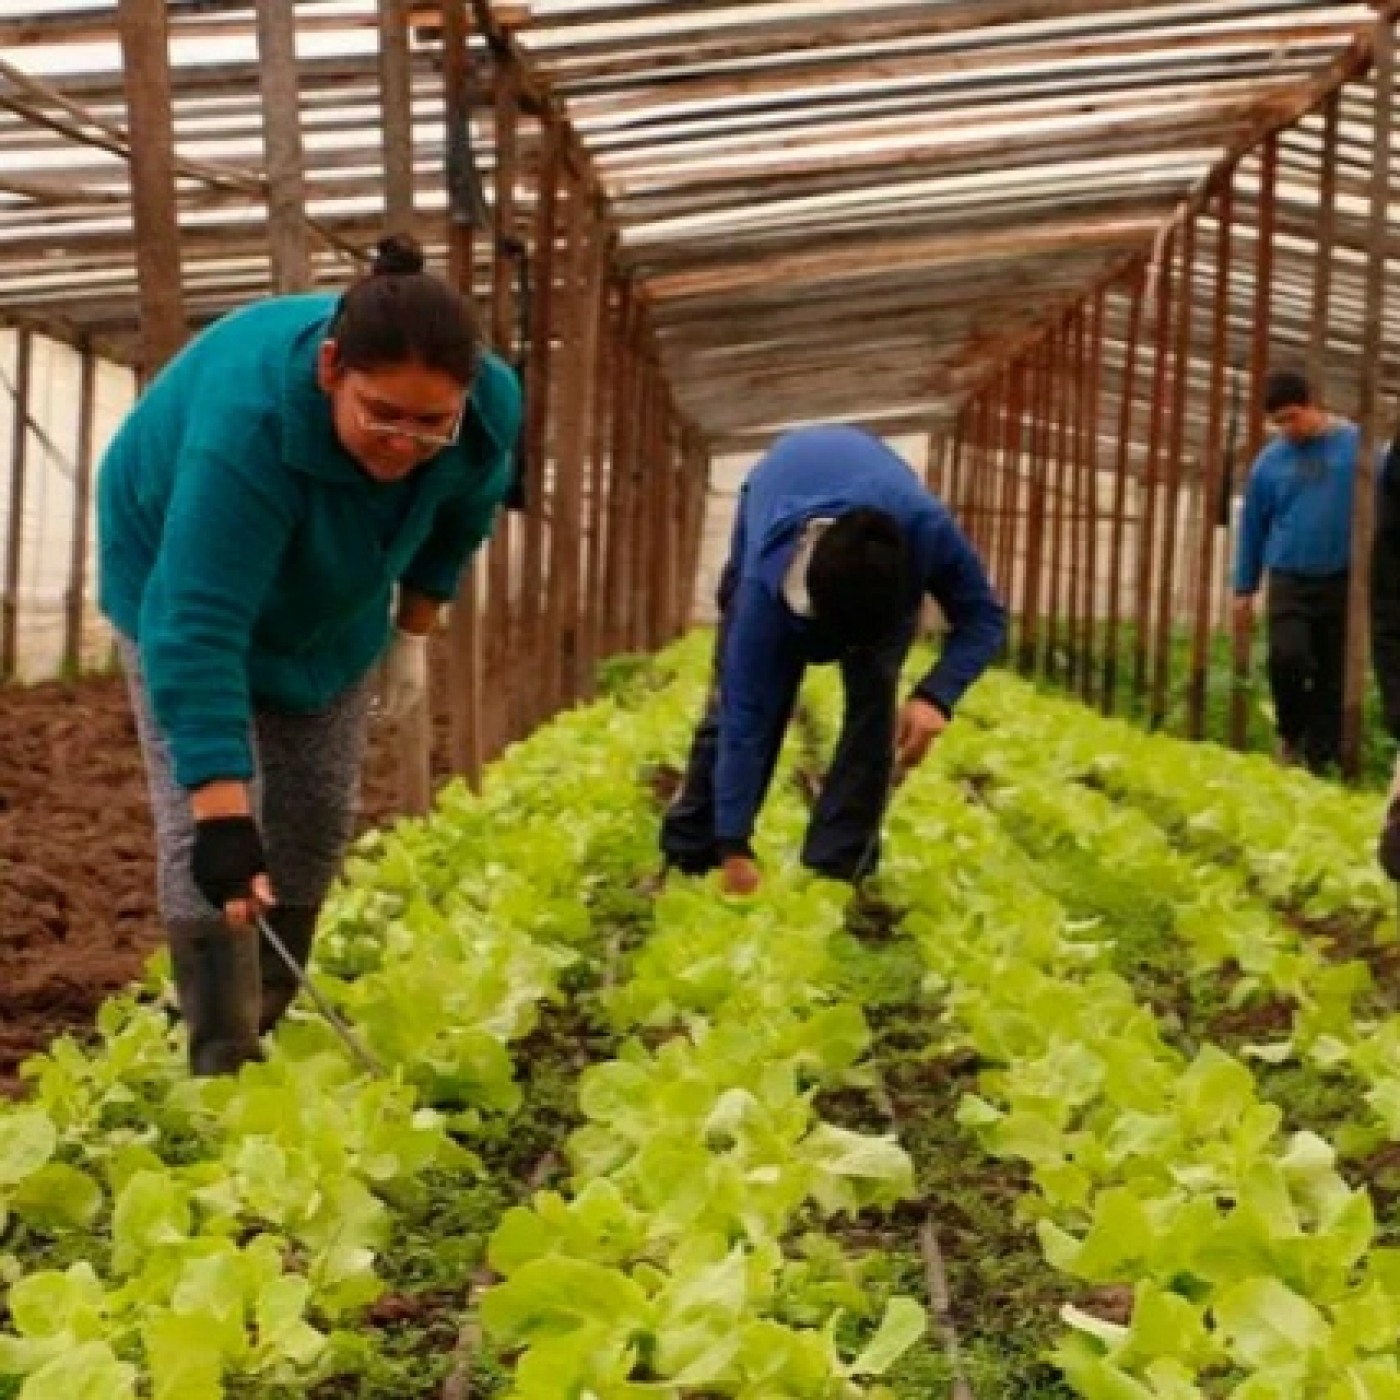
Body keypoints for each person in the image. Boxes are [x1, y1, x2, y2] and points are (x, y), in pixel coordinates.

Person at [98, 235, 521, 1075]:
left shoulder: (485, 414)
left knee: (318, 813)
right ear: (331, 369)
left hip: (335, 598)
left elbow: (458, 521)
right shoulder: (246, 430)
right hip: (175, 572)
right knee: (210, 833)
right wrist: (222, 814)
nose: (403, 441)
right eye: (381, 415)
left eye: (429, 423)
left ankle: (270, 1006)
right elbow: (197, 623)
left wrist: (411, 635)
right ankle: (220, 1049)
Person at [659, 424, 1006, 896]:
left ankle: (838, 869)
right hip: (776, 489)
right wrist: (734, 845)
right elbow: (748, 722)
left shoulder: (926, 532)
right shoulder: (767, 593)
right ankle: (694, 847)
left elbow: (984, 617)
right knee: (738, 704)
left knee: (874, 706)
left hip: (879, 561)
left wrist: (935, 696)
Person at [1232, 369, 1358, 773]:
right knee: (1287, 656)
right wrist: (1244, 586)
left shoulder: (1356, 447)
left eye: (1291, 418)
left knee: (1332, 672)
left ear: (1312, 405)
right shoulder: (1269, 463)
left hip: (1342, 578)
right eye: (1278, 422)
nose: (1287, 429)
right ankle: (1291, 733)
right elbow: (1253, 525)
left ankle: (1321, 760)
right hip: (1289, 575)